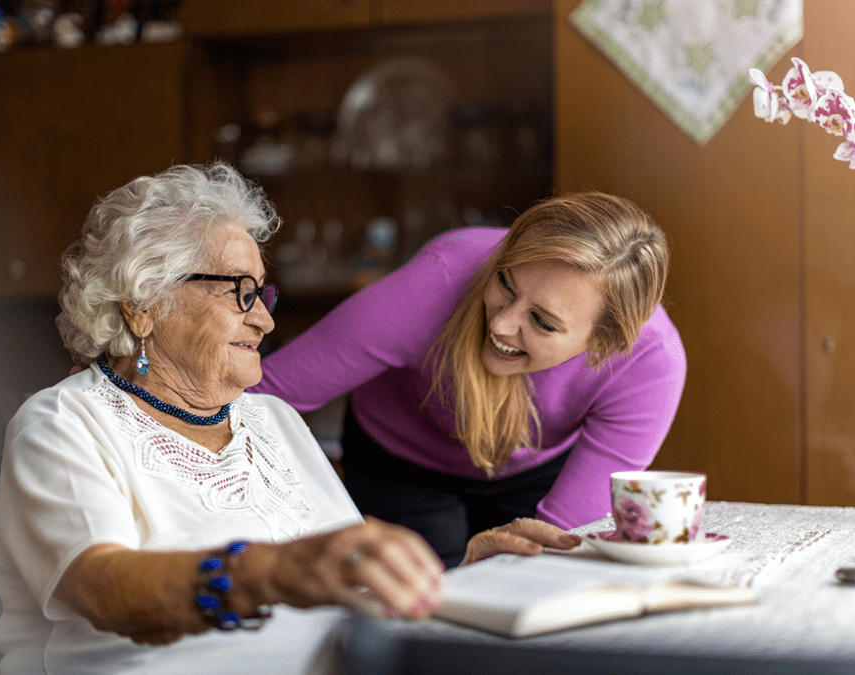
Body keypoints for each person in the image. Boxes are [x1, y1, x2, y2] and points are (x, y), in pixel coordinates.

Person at [0, 162, 579, 675]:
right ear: (144, 306)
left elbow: (345, 583)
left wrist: (462, 577)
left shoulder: (271, 420)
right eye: (239, 294)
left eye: (262, 296)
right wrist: (270, 572)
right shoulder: (64, 424)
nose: (266, 323)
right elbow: (106, 589)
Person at [252, 191, 686, 567]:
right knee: (415, 607)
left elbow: (560, 547)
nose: (502, 324)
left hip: (534, 467)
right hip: (400, 458)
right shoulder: (439, 280)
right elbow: (260, 395)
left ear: (604, 343)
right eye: (505, 283)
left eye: (542, 322)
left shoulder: (651, 364)